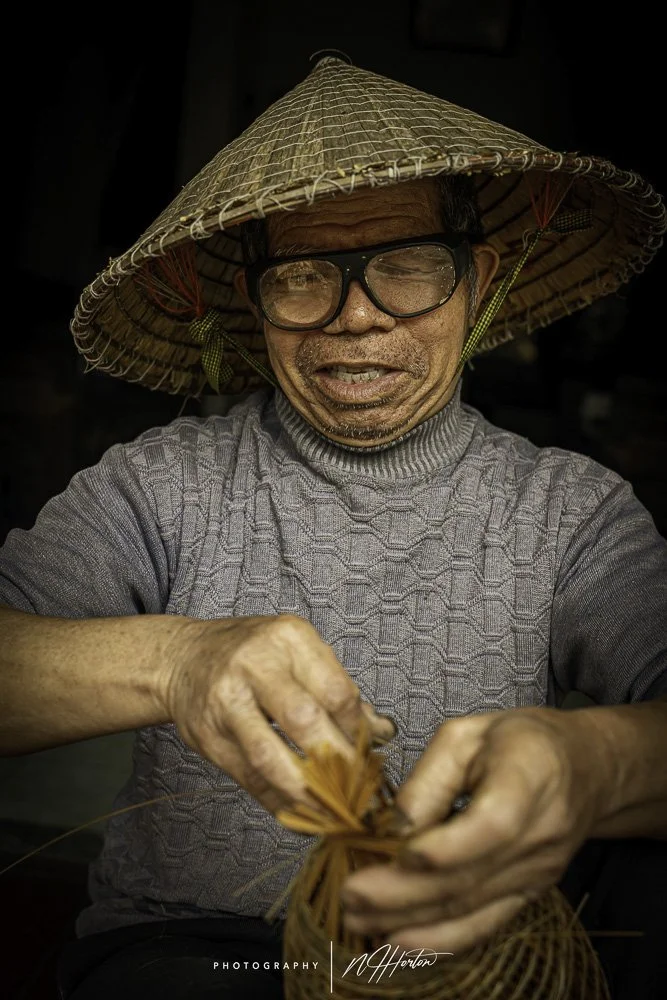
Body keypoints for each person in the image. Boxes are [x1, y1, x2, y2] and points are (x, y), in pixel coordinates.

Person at [1, 53, 666, 1000]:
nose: (354, 319)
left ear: (475, 282)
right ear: (257, 304)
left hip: (448, 961)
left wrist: (591, 766)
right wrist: (174, 662)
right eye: (305, 277)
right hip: (205, 952)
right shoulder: (159, 487)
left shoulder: (572, 515)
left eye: (405, 266)